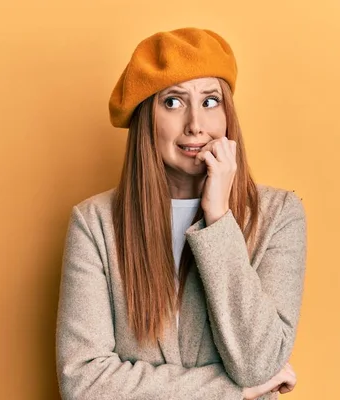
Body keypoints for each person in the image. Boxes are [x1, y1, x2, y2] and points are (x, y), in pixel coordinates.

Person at [56, 27, 307, 400]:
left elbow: (257, 365)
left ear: (227, 114)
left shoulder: (279, 216)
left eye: (210, 101)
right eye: (173, 102)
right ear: (147, 118)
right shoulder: (95, 223)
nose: (195, 125)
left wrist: (219, 217)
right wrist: (230, 391)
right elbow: (84, 382)